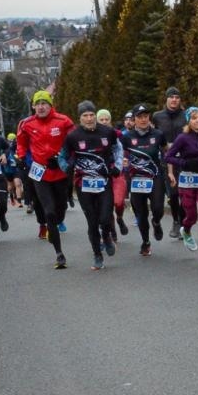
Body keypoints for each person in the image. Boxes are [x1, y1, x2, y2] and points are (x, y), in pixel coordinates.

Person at [15, 90, 75, 268]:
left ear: (50, 105)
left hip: (61, 173)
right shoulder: (26, 124)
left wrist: (63, 159)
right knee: (49, 211)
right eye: (37, 104)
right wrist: (24, 160)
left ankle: (55, 224)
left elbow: (74, 143)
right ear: (33, 106)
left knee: (60, 210)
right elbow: (21, 144)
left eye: (44, 103)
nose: (41, 107)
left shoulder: (63, 121)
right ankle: (59, 253)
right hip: (39, 173)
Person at [64, 100, 123, 270]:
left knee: (105, 218)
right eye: (85, 116)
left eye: (91, 115)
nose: (89, 118)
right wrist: (66, 167)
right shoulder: (73, 137)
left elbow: (118, 150)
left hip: (104, 182)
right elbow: (64, 156)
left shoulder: (108, 132)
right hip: (83, 184)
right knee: (92, 222)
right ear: (80, 118)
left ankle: (107, 236)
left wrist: (117, 167)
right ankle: (97, 255)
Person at [163, 105, 198, 260]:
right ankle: (186, 230)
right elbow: (168, 157)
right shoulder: (182, 138)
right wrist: (184, 163)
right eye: (194, 118)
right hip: (187, 182)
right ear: (189, 121)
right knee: (192, 217)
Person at [121, 104, 167, 257]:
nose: (143, 119)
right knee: (141, 214)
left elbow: (166, 151)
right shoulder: (127, 137)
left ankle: (156, 222)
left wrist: (170, 169)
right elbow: (122, 155)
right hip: (136, 179)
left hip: (155, 177)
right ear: (134, 119)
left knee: (158, 208)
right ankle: (146, 242)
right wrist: (124, 164)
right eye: (140, 117)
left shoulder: (158, 134)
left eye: (146, 116)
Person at [152, 86, 189, 241]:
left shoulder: (186, 115)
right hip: (166, 159)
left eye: (177, 97)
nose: (174, 100)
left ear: (180, 100)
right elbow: (153, 135)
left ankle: (182, 222)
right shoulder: (157, 116)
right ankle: (176, 221)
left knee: (185, 193)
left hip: (184, 158)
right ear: (166, 99)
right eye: (171, 97)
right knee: (173, 193)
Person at [98, 108, 130, 237]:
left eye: (107, 119)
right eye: (101, 119)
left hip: (117, 171)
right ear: (97, 120)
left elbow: (125, 150)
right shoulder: (92, 136)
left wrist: (124, 162)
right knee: (107, 204)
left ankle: (120, 218)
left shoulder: (117, 134)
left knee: (118, 202)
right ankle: (112, 230)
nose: (104, 122)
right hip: (101, 173)